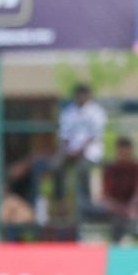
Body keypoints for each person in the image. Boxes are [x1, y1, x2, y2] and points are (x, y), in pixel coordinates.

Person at [54, 82, 106, 222]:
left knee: (82, 168)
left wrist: (79, 150)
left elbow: (94, 136)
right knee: (56, 166)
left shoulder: (96, 111)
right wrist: (67, 152)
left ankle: (87, 206)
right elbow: (64, 137)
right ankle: (61, 202)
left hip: (89, 153)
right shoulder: (68, 112)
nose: (81, 97)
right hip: (70, 152)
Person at [100, 137, 138, 242]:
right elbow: (106, 197)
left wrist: (132, 207)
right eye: (122, 153)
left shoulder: (137, 168)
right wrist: (124, 210)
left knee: (132, 220)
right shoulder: (110, 169)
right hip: (115, 211)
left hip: (133, 210)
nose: (124, 156)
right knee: (118, 220)